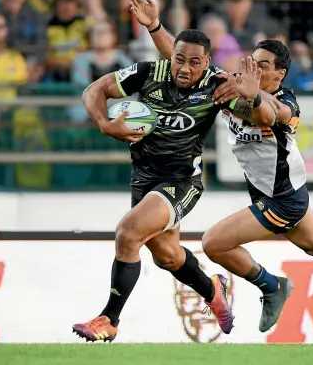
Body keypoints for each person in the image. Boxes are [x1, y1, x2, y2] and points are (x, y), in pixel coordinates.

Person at [129, 0, 313, 333]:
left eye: (263, 65)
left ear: (280, 73)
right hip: (281, 190)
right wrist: (154, 25)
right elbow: (184, 64)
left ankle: (271, 286)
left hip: (282, 198)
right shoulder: (232, 84)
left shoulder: (287, 102)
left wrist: (252, 94)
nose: (254, 68)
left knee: (213, 243)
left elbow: (270, 114)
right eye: (252, 61)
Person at [72, 29, 271, 342]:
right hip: (143, 177)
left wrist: (253, 98)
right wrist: (104, 123)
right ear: (171, 56)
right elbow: (94, 90)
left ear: (207, 63)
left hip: (181, 181)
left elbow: (260, 119)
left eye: (195, 62)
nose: (185, 68)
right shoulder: (148, 73)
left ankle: (109, 319)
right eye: (179, 59)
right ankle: (213, 290)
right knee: (168, 257)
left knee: (128, 232)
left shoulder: (218, 85)